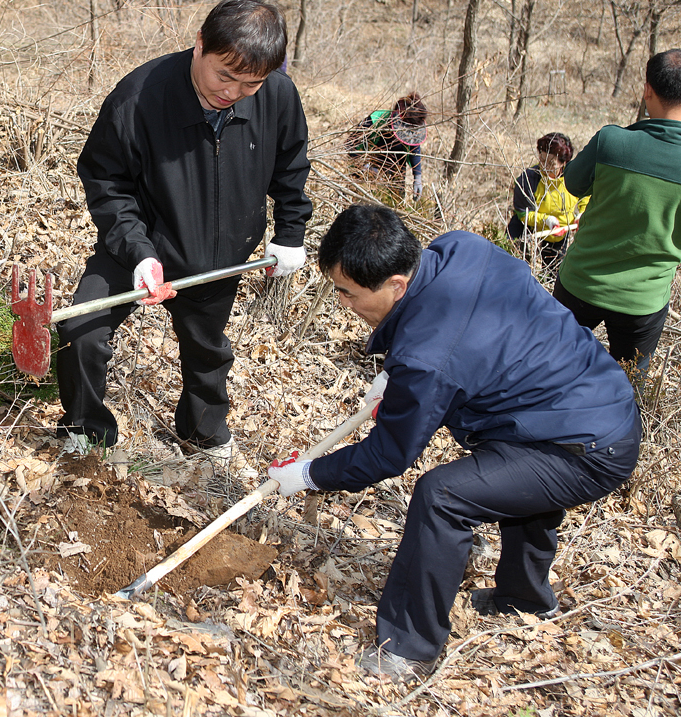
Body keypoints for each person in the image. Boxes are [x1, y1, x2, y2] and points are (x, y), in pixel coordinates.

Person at [269, 204, 640, 682]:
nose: (343, 302)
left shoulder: (427, 357)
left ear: (396, 285)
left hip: (588, 446)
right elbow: (471, 338)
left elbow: (389, 454)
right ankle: (522, 597)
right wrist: (397, 377)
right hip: (591, 403)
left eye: (349, 292)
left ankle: (409, 647)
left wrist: (309, 474)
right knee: (514, 477)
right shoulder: (461, 247)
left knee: (443, 496)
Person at [56, 0, 312, 469]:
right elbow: (106, 182)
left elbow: (291, 168)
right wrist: (138, 253)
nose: (232, 92)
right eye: (225, 75)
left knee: (207, 348)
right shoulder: (139, 98)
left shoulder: (277, 96)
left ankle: (203, 432)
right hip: (140, 243)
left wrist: (291, 232)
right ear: (199, 45)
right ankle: (86, 431)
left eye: (250, 83)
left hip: (220, 255)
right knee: (80, 331)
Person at [554, 50, 681, 378]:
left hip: (581, 284)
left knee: (551, 367)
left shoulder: (612, 141)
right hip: (643, 302)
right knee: (629, 387)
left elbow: (572, 183)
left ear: (647, 90)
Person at [506, 132, 587, 270]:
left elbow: (586, 196)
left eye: (551, 163)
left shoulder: (574, 177)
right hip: (529, 227)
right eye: (542, 160)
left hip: (560, 232)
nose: (544, 166)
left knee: (553, 271)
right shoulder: (528, 179)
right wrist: (546, 220)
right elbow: (523, 214)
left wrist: (582, 214)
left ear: (564, 163)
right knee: (514, 263)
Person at [347, 93, 427, 202]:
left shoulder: (413, 129)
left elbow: (415, 149)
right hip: (368, 165)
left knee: (393, 203)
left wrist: (417, 177)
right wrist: (365, 168)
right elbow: (350, 144)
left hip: (396, 170)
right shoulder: (376, 120)